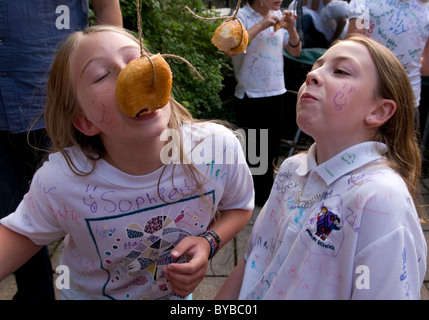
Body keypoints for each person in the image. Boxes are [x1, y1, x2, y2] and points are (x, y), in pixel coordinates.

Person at [0, 25, 254, 300]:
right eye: (101, 76)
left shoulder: (218, 149)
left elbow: (239, 206)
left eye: (137, 60)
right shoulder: (61, 182)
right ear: (85, 121)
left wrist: (209, 242)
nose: (131, 74)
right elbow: (16, 239)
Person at [215, 35, 427, 299]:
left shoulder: (381, 200)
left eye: (340, 71)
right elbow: (254, 260)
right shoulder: (292, 169)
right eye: (316, 66)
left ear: (379, 111)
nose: (312, 76)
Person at [0, 0, 122, 300]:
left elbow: (107, 7)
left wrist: (111, 82)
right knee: (11, 213)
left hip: (60, 106)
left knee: (93, 204)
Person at [230, 0, 301, 207]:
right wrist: (262, 24)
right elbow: (231, 49)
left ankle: (265, 197)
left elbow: (295, 51)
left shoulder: (277, 14)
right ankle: (246, 198)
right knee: (252, 153)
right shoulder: (241, 16)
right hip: (250, 94)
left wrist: (291, 28)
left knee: (270, 150)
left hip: (276, 90)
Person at [347, 0, 429, 109]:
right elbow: (426, 68)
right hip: (407, 97)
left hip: (367, 92)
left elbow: (352, 51)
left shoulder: (361, 2)